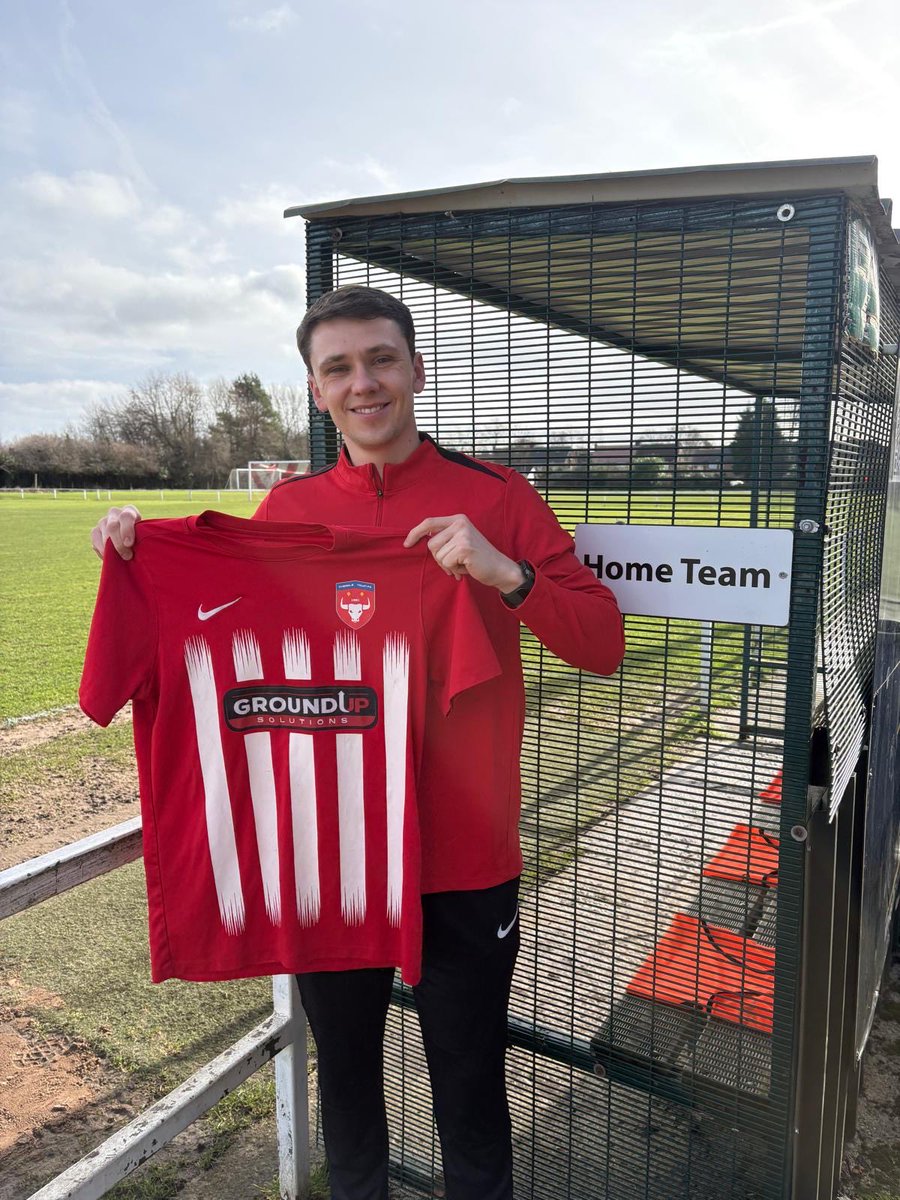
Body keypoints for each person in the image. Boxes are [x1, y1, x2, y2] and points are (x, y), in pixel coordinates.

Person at [92, 285, 624, 1200]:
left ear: (415, 369)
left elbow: (603, 642)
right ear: (313, 390)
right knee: (346, 1083)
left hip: (465, 854)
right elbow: (221, 640)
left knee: (469, 1083)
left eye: (380, 359)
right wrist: (142, 559)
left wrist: (505, 573)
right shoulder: (286, 510)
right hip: (331, 849)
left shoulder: (497, 496)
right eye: (338, 367)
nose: (362, 383)